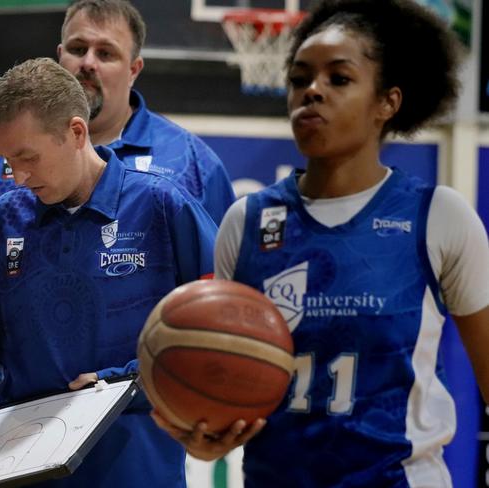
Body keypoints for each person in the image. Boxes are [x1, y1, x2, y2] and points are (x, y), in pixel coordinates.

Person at [153, 0, 489, 486]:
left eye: (339, 79)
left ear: (387, 103)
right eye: (299, 79)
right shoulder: (246, 221)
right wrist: (205, 429)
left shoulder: (438, 217)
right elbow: (222, 372)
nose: (312, 92)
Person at [0, 0, 235, 434]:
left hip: (137, 449)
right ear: (59, 55)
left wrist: (129, 382)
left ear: (134, 68)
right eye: (78, 47)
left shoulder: (180, 179)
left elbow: (225, 309)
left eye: (107, 52)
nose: (17, 176)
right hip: (13, 452)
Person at [0, 57, 217, 487]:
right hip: (19, 472)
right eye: (8, 162)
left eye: (28, 157)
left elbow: (217, 332)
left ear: (76, 132)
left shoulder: (162, 207)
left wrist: (117, 385)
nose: (20, 177)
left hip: (138, 470)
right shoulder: (2, 221)